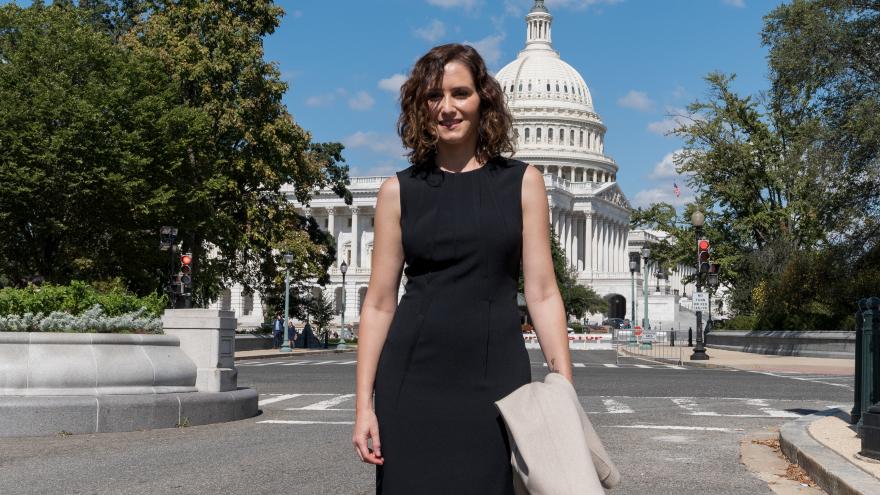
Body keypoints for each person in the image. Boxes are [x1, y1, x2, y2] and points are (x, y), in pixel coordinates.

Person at [351, 43, 575, 494]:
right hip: (411, 381)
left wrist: (563, 386)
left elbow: (544, 292)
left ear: (483, 100)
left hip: (496, 380)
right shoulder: (398, 191)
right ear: (421, 106)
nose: (448, 108)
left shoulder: (523, 183)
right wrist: (363, 406)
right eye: (435, 97)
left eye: (460, 93)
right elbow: (377, 305)